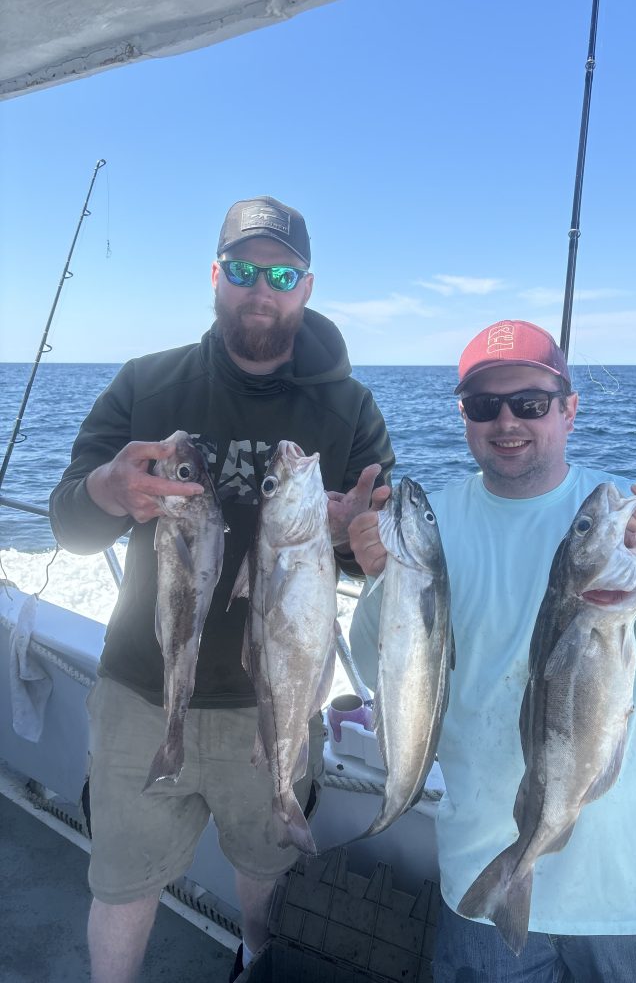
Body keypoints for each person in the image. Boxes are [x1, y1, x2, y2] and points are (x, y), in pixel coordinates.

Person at [49, 195, 394, 983]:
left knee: (266, 871)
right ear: (215, 276)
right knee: (123, 880)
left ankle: (256, 965)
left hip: (274, 706)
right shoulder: (145, 383)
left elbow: (379, 551)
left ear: (306, 286)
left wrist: (357, 540)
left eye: (280, 272)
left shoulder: (350, 409)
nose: (260, 288)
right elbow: (69, 526)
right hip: (141, 692)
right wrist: (106, 489)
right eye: (243, 269)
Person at [347, 319, 636, 983]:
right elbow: (376, 669)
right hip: (484, 875)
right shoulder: (432, 522)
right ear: (464, 415)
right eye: (485, 405)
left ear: (569, 410)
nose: (508, 420)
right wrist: (382, 582)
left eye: (531, 403)